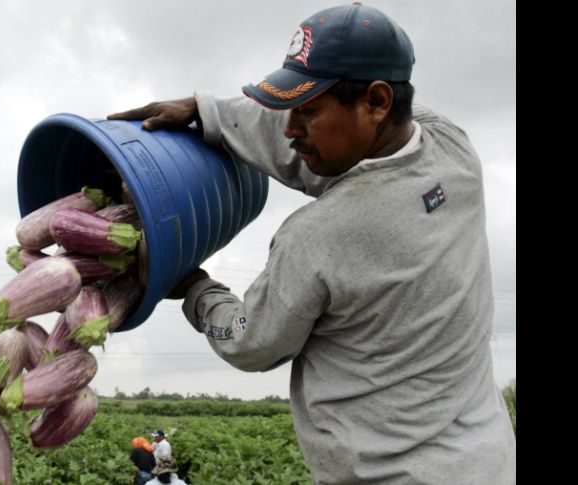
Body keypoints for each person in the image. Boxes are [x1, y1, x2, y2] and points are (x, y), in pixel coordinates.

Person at [107, 2, 516, 484]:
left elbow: (249, 342)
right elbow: (303, 145)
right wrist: (208, 111)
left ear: (377, 102)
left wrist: (195, 287)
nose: (290, 128)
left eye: (307, 110)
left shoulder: (322, 236)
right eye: (288, 107)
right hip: (489, 460)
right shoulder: (452, 148)